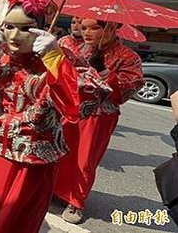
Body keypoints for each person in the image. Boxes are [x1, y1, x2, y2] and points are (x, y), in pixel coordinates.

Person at [0, 0, 110, 233]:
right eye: (9, 26)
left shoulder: (63, 56)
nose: (15, 35)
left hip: (32, 160)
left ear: (43, 28)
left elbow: (89, 98)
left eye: (26, 28)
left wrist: (54, 60)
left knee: (13, 219)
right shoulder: (1, 55)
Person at [54, 18, 144, 224]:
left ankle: (76, 201)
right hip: (71, 110)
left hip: (99, 116)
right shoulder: (77, 49)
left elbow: (129, 87)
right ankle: (57, 190)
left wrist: (107, 75)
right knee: (61, 151)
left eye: (95, 27)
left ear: (111, 28)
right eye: (84, 27)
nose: (86, 32)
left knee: (85, 159)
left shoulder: (128, 56)